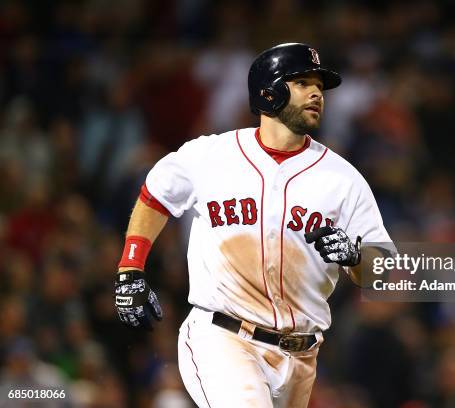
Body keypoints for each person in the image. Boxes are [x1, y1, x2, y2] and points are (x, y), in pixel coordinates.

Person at [114, 43, 393, 408]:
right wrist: (130, 269)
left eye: (319, 86)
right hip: (224, 337)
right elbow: (155, 195)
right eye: (302, 82)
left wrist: (356, 256)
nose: (316, 93)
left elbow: (384, 271)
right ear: (269, 90)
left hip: (300, 356)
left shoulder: (344, 179)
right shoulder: (212, 155)